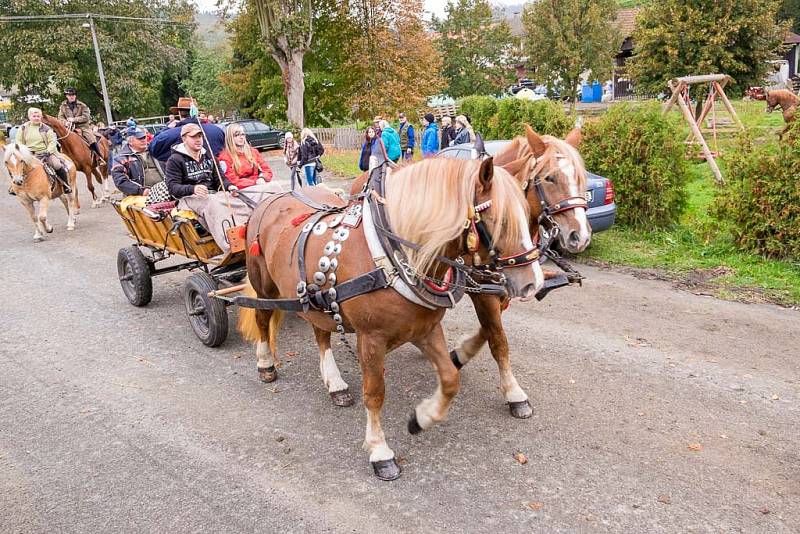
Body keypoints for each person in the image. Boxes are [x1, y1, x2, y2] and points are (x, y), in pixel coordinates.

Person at [165, 123, 281, 253]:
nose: (198, 140)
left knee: (239, 198)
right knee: (215, 204)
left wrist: (229, 186)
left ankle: (252, 231)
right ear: (184, 138)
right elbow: (172, 187)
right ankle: (230, 243)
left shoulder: (208, 155)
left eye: (200, 136)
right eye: (194, 137)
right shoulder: (175, 160)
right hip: (189, 198)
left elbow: (220, 179)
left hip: (213, 194)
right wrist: (192, 189)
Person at [148, 97, 225, 163]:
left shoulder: (169, 134)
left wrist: (167, 128)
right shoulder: (217, 130)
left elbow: (153, 148)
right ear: (197, 112)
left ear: (179, 113)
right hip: (215, 177)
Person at [15, 107, 72, 193]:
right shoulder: (23, 128)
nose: (36, 118)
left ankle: (65, 185)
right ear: (29, 117)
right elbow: (18, 142)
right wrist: (23, 152)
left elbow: (52, 142)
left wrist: (48, 151)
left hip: (45, 153)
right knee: (17, 166)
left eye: (38, 116)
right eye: (34, 116)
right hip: (28, 154)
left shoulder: (47, 129)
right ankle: (14, 187)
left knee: (57, 165)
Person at [217, 123, 273, 190]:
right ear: (230, 138)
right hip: (241, 190)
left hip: (259, 185)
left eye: (243, 134)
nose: (241, 137)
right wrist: (255, 182)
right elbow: (232, 180)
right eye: (236, 135)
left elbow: (267, 170)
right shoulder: (224, 157)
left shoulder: (253, 152)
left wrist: (262, 177)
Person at [111, 128, 163, 197]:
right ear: (130, 141)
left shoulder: (155, 150)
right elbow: (120, 181)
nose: (144, 140)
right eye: (140, 138)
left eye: (144, 137)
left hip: (164, 190)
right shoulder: (120, 158)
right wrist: (141, 191)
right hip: (139, 195)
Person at [57, 87, 102, 159]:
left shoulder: (82, 105)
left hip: (82, 127)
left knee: (90, 138)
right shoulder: (63, 106)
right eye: (69, 95)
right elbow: (60, 117)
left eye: (73, 95)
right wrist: (65, 122)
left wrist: (74, 119)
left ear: (75, 96)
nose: (71, 96)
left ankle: (99, 156)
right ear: (66, 96)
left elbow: (86, 117)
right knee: (58, 139)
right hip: (68, 127)